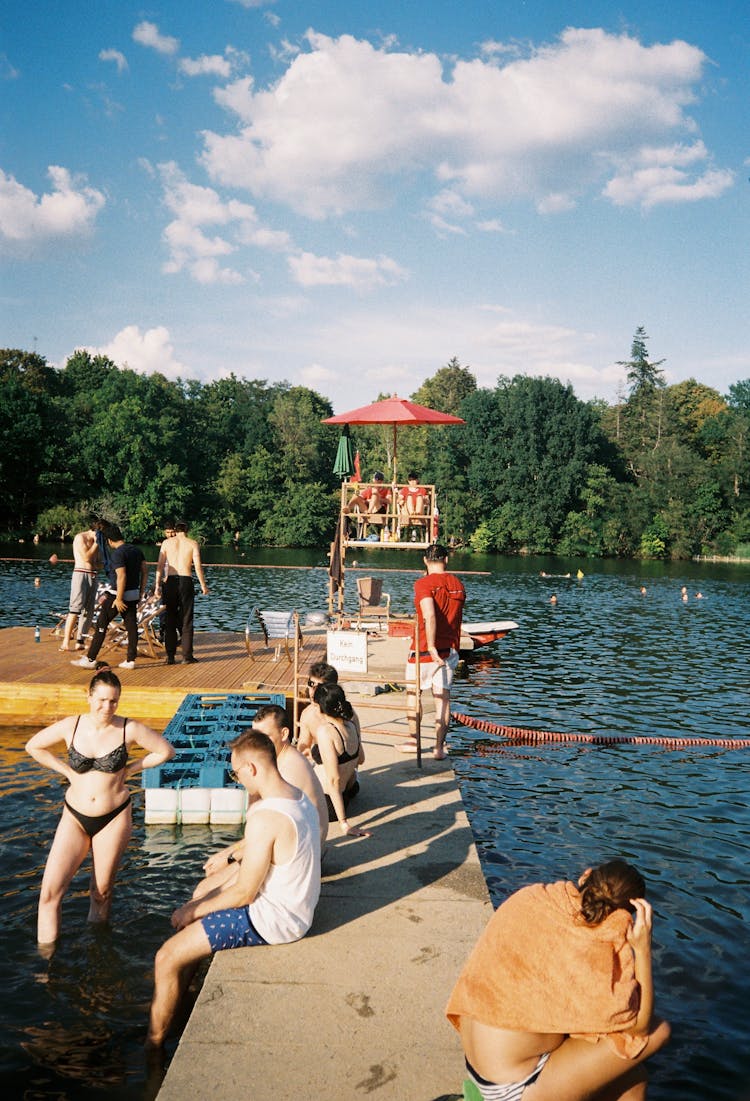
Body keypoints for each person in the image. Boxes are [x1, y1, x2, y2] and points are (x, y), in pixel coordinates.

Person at [147, 728, 321, 1048]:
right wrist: (201, 902)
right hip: (296, 908)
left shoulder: (267, 816)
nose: (237, 779)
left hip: (274, 922)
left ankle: (153, 1044)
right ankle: (180, 995)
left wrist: (190, 910)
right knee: (200, 906)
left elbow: (244, 893)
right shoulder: (296, 797)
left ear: (251, 769)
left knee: (166, 956)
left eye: (235, 771)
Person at [446, 859, 671, 1101]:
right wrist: (642, 950)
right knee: (658, 1032)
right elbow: (639, 1028)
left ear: (586, 876)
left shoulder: (533, 898)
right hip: (512, 1088)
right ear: (627, 918)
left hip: (479, 1062)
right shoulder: (597, 950)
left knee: (632, 1077)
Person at [24, 670, 174, 946]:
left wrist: (131, 768)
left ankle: (97, 948)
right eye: (102, 700)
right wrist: (67, 771)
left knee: (101, 892)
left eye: (113, 701)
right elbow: (33, 746)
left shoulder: (128, 728)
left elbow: (165, 751)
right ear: (89, 696)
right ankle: (45, 964)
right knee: (49, 894)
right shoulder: (72, 725)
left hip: (113, 816)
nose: (107, 707)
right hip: (74, 816)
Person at [194, 704, 329, 899]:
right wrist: (229, 852)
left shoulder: (289, 769)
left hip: (299, 859)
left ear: (284, 734)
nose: (256, 743)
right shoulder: (274, 763)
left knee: (204, 891)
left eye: (264, 736)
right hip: (295, 848)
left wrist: (229, 857)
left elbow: (269, 831)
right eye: (254, 736)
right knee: (209, 882)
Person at [401, 543, 465, 761]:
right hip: (449, 652)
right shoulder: (458, 584)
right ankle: (439, 748)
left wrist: (430, 645)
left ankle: (413, 740)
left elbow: (430, 614)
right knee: (442, 700)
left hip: (423, 650)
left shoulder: (423, 584)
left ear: (425, 560)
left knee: (413, 694)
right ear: (446, 560)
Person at [72, 524, 147, 670]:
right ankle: (130, 660)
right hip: (133, 594)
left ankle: (90, 658)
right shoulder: (136, 550)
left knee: (101, 624)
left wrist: (119, 599)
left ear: (109, 540)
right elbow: (145, 571)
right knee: (131, 627)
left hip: (118, 596)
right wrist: (141, 592)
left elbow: (121, 576)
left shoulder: (118, 554)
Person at [309, 683, 369, 838]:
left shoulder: (326, 731)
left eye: (315, 706)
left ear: (321, 707)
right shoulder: (351, 724)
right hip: (348, 790)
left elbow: (334, 780)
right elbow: (360, 759)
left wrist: (344, 824)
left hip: (328, 804)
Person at [154, 521, 209, 664]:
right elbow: (197, 567)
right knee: (187, 619)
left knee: (170, 619)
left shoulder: (166, 543)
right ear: (187, 531)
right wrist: (203, 585)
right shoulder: (192, 543)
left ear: (175, 531)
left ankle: (170, 656)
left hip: (170, 581)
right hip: (186, 580)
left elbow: (160, 566)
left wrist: (156, 585)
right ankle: (187, 656)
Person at [59, 521, 101, 652]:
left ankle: (80, 641)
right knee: (75, 609)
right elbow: (87, 557)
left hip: (93, 575)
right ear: (94, 531)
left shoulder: (98, 543)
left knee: (89, 611)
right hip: (80, 574)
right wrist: (96, 543)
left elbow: (99, 562)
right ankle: (65, 641)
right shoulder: (80, 538)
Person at [297, 661, 339, 756]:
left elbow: (359, 757)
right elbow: (303, 748)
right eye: (311, 684)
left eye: (319, 688)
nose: (313, 692)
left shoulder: (344, 713)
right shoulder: (307, 714)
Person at [344, 471, 392, 535]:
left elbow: (389, 501)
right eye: (376, 479)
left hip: (379, 510)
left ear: (381, 481)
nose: (377, 481)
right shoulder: (369, 489)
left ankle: (369, 511)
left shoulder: (386, 490)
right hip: (366, 510)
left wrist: (378, 499)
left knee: (375, 494)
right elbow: (360, 498)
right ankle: (348, 508)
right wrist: (368, 500)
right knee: (356, 495)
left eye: (378, 480)